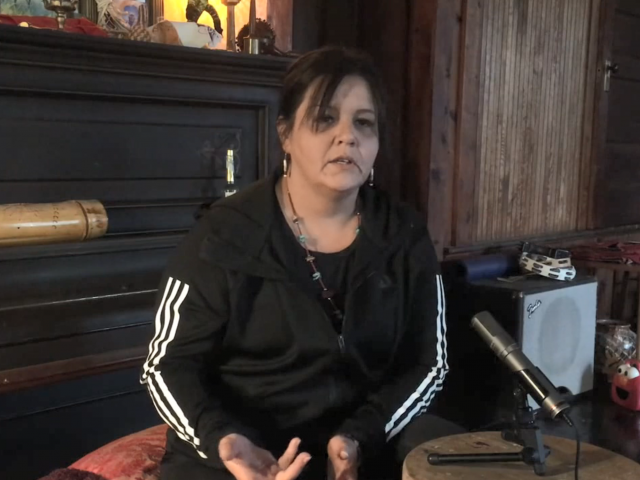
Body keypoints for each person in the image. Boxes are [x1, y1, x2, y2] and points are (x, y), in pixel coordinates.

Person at [140, 45, 464, 480]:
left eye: (363, 123)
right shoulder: (225, 233)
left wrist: (358, 437)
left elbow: (430, 363)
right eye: (325, 119)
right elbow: (165, 365)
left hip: (356, 446)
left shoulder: (403, 234)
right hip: (238, 455)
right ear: (286, 134)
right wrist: (220, 438)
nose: (347, 136)